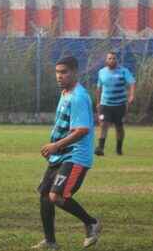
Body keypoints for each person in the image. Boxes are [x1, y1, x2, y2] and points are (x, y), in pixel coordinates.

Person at [32, 56, 101, 249]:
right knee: (45, 194)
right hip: (62, 154)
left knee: (57, 196)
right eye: (57, 72)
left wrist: (56, 146)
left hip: (76, 156)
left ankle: (91, 223)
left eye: (64, 72)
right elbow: (65, 126)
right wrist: (54, 147)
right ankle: (50, 241)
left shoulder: (78, 96)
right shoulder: (65, 93)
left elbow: (82, 130)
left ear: (75, 72)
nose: (59, 76)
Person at [94, 52, 136, 156]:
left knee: (119, 126)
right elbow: (99, 88)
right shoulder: (101, 72)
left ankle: (119, 149)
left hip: (120, 104)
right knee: (103, 124)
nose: (112, 60)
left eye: (113, 58)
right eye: (109, 58)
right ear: (106, 60)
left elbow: (132, 83)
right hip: (105, 104)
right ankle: (100, 148)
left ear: (116, 60)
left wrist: (131, 95)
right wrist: (98, 102)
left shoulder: (123, 71)